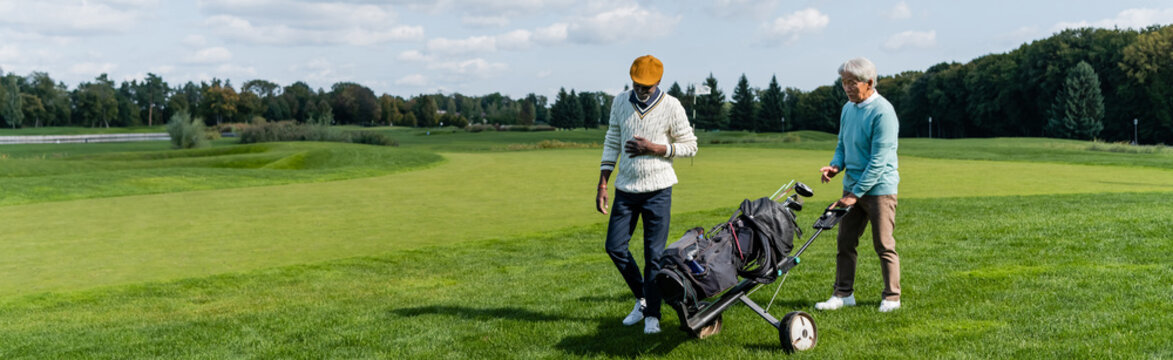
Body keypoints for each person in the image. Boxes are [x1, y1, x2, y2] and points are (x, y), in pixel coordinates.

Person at [596, 55, 698, 334]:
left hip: (659, 191)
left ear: (658, 82)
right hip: (625, 190)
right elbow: (612, 140)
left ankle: (652, 315)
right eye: (638, 84)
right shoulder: (619, 102)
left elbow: (690, 145)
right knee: (615, 247)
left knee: (654, 256)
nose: (642, 89)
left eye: (648, 86)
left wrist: (656, 148)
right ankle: (643, 298)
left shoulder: (672, 106)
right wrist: (603, 184)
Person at [815, 57, 902, 313]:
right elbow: (843, 145)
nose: (847, 88)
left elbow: (877, 162)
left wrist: (854, 195)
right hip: (852, 187)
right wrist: (835, 166)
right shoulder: (848, 108)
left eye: (852, 83)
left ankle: (892, 298)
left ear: (869, 82)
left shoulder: (883, 112)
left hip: (879, 190)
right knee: (845, 242)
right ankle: (843, 294)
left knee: (884, 244)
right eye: (843, 83)